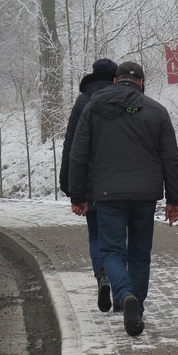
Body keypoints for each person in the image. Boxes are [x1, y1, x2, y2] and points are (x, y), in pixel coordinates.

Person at [68, 61, 178, 337]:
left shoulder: (94, 107)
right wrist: (174, 200)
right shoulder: (156, 111)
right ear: (141, 82)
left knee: (111, 251)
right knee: (140, 255)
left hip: (108, 193)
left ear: (116, 81)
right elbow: (171, 159)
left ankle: (125, 294)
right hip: (145, 195)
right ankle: (137, 309)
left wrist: (78, 194)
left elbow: (78, 153)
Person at [60, 57, 118, 313]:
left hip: (91, 185)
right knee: (118, 237)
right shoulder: (123, 100)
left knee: (95, 235)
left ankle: (102, 276)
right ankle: (119, 283)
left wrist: (72, 189)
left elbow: (71, 148)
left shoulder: (83, 102)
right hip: (119, 181)